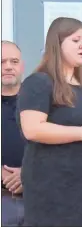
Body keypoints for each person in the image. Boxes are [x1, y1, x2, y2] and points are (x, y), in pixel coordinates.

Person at [17, 17, 82, 226]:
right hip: (53, 191)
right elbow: (33, 129)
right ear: (57, 43)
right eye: (75, 40)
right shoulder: (39, 83)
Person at [1, 41, 25, 226]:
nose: (8, 66)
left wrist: (28, 173)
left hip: (39, 197)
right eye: (2, 62)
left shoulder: (40, 101)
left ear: (22, 66)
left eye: (14, 61)